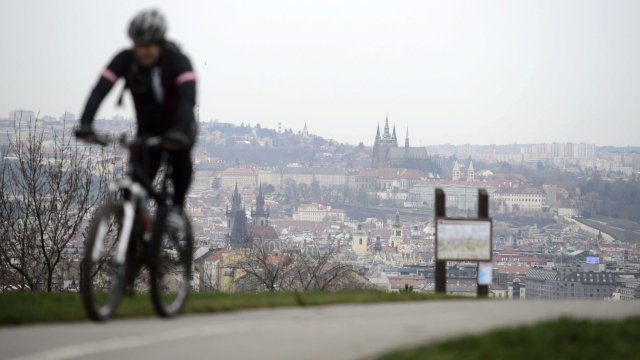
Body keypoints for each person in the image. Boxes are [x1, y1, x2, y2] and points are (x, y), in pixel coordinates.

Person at [76, 9, 197, 226]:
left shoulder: (178, 61)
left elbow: (188, 99)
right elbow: (100, 90)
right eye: (140, 46)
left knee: (180, 159)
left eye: (150, 46)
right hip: (147, 129)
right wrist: (86, 123)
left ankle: (177, 209)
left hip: (179, 124)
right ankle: (133, 243)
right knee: (135, 185)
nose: (144, 52)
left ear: (160, 44)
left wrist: (179, 131)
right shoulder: (125, 60)